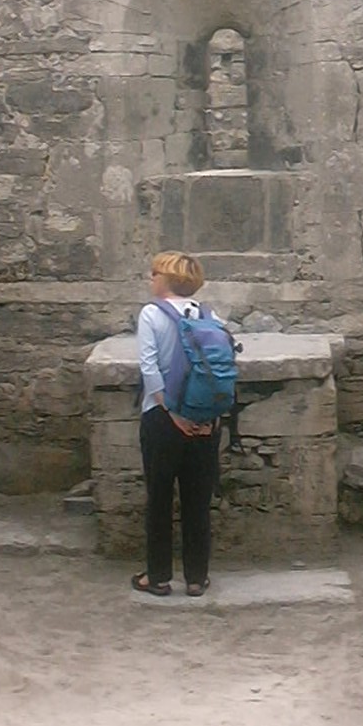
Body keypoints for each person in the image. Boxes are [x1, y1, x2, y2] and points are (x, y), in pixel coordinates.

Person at [132, 251, 220, 598]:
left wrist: (171, 414)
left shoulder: (151, 314)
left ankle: (158, 577)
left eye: (153, 273)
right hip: (204, 420)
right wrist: (203, 418)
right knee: (198, 501)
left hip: (162, 419)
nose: (150, 278)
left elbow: (149, 368)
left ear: (165, 279)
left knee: (160, 499)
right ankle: (197, 577)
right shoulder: (209, 316)